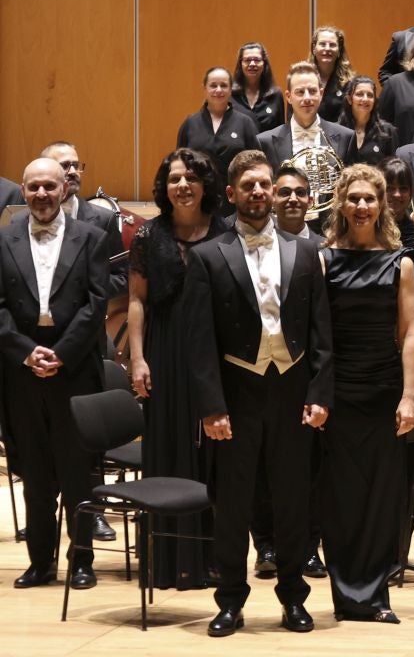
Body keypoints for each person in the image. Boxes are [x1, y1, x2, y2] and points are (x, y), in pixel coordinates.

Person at [182, 151, 334, 637]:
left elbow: (321, 336)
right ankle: (229, 601)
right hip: (237, 393)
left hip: (292, 392)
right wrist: (211, 407)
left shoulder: (306, 252)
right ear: (231, 194)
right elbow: (199, 341)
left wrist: (319, 393)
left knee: (292, 502)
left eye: (265, 184)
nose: (259, 192)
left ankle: (293, 597)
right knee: (233, 503)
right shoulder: (208, 255)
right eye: (248, 185)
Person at [0, 157, 110, 592]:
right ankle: (40, 562)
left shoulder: (93, 237)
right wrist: (28, 353)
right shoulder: (3, 238)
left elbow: (96, 303)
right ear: (23, 192)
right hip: (22, 371)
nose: (42, 195)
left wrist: (60, 354)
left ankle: (81, 559)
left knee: (76, 469)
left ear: (65, 188)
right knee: (35, 472)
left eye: (49, 186)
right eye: (33, 188)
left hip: (74, 369)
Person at [318, 164, 414, 624]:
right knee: (339, 497)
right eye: (354, 198)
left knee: (382, 497)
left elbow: (410, 332)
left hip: (382, 391)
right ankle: (345, 595)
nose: (362, 206)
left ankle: (376, 596)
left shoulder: (400, 262)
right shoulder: (323, 259)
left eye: (370, 199)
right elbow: (316, 336)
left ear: (382, 206)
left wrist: (409, 396)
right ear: (342, 202)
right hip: (338, 393)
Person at [128, 147, 229, 591]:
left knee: (213, 457)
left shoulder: (226, 233)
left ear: (206, 184)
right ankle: (167, 562)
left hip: (214, 354)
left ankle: (210, 558)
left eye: (191, 177)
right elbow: (136, 300)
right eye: (173, 179)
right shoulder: (149, 235)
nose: (182, 185)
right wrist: (137, 357)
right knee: (168, 448)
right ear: (163, 188)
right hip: (164, 350)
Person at [177, 67, 261, 202]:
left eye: (223, 85)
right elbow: (179, 163)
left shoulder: (245, 123)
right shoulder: (190, 123)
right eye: (213, 85)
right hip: (197, 200)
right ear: (205, 88)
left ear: (231, 89)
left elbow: (257, 164)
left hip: (235, 200)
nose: (218, 90)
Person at [258, 61, 356, 171]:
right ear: (288, 97)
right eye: (300, 92)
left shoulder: (346, 138)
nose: (307, 98)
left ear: (321, 94)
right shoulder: (265, 142)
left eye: (312, 91)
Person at [342, 75, 398, 166]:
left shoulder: (388, 131)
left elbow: (393, 169)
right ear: (349, 99)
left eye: (370, 95)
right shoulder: (337, 131)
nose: (365, 99)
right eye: (359, 94)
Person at [310, 25, 356, 124]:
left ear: (339, 50)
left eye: (332, 45)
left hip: (337, 137)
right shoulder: (302, 78)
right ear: (314, 48)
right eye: (322, 44)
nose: (327, 48)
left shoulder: (349, 83)